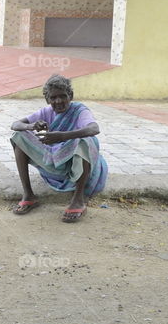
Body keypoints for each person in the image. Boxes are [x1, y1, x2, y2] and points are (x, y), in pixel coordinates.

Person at [9, 74, 107, 223]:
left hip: (74, 162)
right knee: (19, 136)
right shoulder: (46, 112)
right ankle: (29, 194)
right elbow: (15, 124)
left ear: (71, 96)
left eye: (63, 96)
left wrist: (63, 136)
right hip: (53, 159)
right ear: (47, 99)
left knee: (86, 141)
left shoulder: (79, 110)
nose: (58, 101)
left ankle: (78, 199)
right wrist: (32, 126)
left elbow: (94, 128)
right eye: (53, 98)